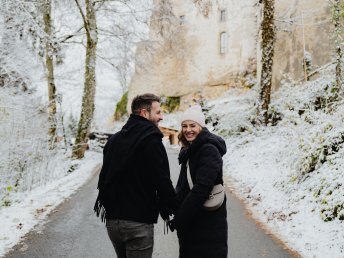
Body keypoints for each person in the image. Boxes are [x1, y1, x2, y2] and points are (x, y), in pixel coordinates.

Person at [94, 93, 177, 258]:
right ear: (144, 113)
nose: (162, 117)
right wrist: (176, 209)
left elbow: (104, 179)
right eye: (158, 112)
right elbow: (162, 181)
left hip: (113, 222)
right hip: (138, 223)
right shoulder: (151, 140)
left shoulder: (114, 141)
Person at [169, 105, 228, 258]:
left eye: (192, 125)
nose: (188, 129)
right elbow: (183, 186)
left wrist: (180, 218)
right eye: (184, 126)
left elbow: (202, 189)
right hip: (192, 222)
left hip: (207, 223)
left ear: (201, 126)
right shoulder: (190, 150)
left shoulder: (209, 150)